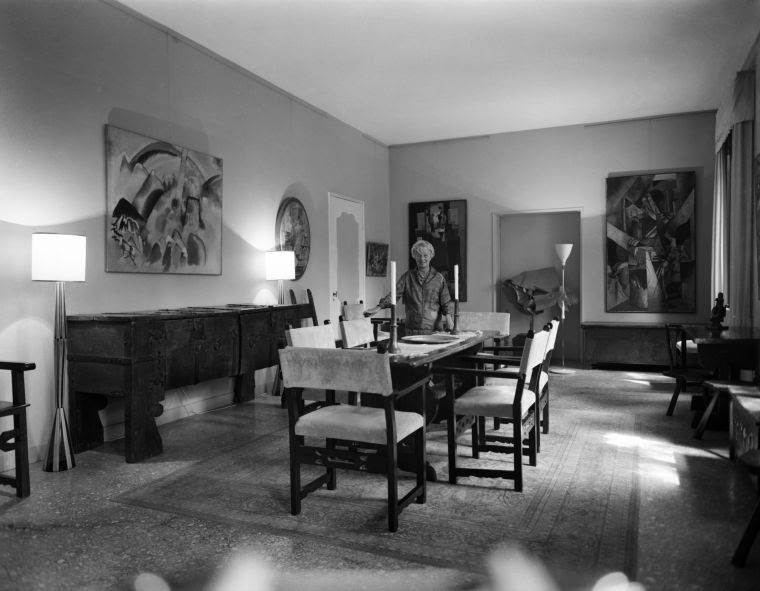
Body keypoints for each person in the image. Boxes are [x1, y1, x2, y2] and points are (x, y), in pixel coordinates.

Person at [365, 239, 454, 334]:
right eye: (418, 255)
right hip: (412, 329)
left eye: (425, 255)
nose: (422, 259)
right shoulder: (407, 277)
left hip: (434, 329)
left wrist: (449, 320)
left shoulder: (439, 278)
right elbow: (394, 295)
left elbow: (445, 301)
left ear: (431, 256)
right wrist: (379, 307)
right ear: (414, 256)